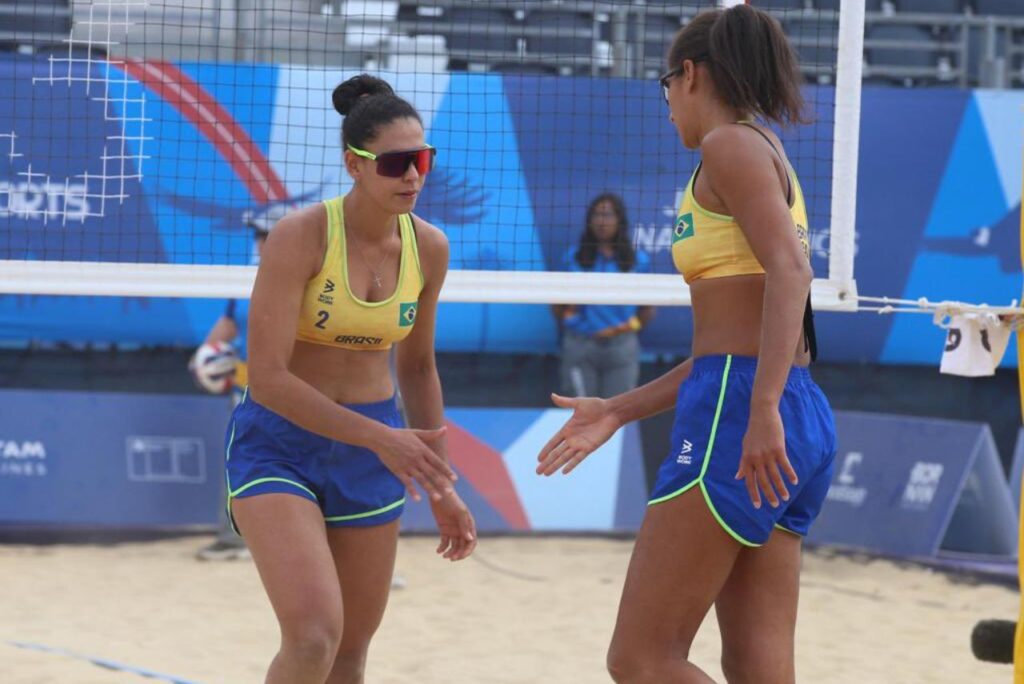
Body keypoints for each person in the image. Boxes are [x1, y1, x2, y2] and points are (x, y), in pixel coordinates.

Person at [537, 6, 836, 683]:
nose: (667, 102)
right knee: (759, 667)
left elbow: (793, 271)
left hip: (746, 409)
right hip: (791, 404)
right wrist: (619, 409)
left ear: (691, 74)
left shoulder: (727, 147)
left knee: (641, 659)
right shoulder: (762, 145)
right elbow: (731, 344)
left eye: (665, 84)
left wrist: (759, 410)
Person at [228, 74, 476, 684]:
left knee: (350, 655)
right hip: (280, 446)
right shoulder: (300, 235)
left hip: (374, 450)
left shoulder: (431, 248)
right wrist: (380, 439)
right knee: (313, 637)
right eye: (396, 163)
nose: (413, 176)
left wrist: (441, 486)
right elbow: (267, 378)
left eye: (421, 160)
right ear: (354, 165)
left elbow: (417, 369)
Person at [194, 205, 281, 561]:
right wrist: (205, 356)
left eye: (266, 235)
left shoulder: (311, 280)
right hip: (249, 391)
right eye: (258, 236)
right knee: (240, 463)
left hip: (298, 392)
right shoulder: (244, 279)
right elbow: (229, 325)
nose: (259, 242)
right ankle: (233, 540)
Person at [552, 193, 654, 399]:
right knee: (579, 413)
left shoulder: (637, 261)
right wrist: (579, 326)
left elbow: (648, 309)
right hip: (580, 344)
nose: (602, 221)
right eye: (597, 215)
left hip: (621, 345)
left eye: (608, 215)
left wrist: (621, 329)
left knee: (617, 413)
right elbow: (557, 303)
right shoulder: (573, 258)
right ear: (589, 221)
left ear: (620, 220)